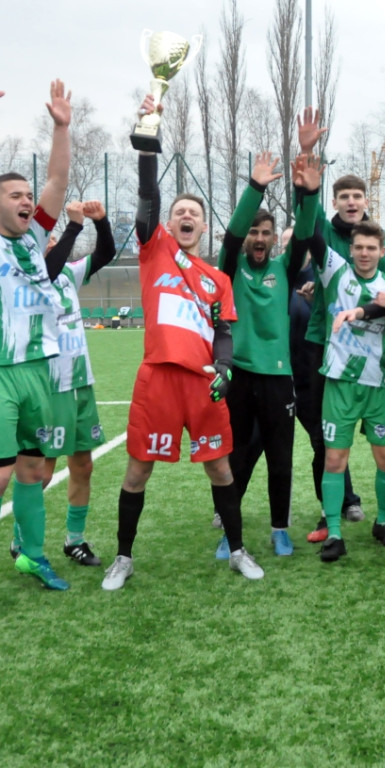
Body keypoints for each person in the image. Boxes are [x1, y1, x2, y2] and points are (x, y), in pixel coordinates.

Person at [101, 95, 264, 591]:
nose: (186, 216)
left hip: (203, 385)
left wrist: (224, 366)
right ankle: (123, 558)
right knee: (137, 472)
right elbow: (147, 196)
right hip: (157, 381)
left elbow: (224, 333)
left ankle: (236, 550)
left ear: (204, 225)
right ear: (169, 225)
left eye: (194, 211)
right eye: (179, 212)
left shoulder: (217, 279)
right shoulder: (153, 252)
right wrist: (149, 138)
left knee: (219, 466)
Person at [296, 109, 385, 542]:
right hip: (336, 379)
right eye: (358, 247)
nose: (364, 252)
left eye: (371, 247)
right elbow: (308, 232)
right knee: (331, 454)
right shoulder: (333, 269)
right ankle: (332, 528)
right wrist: (307, 169)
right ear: (350, 247)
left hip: (380, 381)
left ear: (382, 249)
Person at [0, 80, 73, 589]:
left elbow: (57, 178)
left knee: (32, 470)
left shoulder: (36, 237)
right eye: (15, 195)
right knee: (0, 473)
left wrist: (62, 128)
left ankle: (31, 554)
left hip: (40, 371)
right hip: (2, 374)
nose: (28, 201)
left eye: (29, 195)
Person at [216, 152, 303, 557]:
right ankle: (229, 534)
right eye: (254, 231)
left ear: (274, 237)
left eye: (266, 232)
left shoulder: (285, 269)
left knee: (280, 458)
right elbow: (231, 235)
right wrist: (256, 188)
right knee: (233, 459)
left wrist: (308, 191)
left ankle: (279, 528)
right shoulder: (231, 267)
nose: (259, 238)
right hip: (238, 376)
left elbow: (304, 234)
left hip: (277, 377)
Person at [35, 200, 116, 568]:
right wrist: (72, 227)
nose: (50, 240)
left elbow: (107, 253)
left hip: (81, 383)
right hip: (48, 386)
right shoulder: (27, 272)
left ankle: (74, 541)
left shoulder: (70, 271)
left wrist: (100, 222)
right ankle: (25, 541)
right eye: (45, 235)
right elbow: (47, 270)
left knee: (83, 465)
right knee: (41, 471)